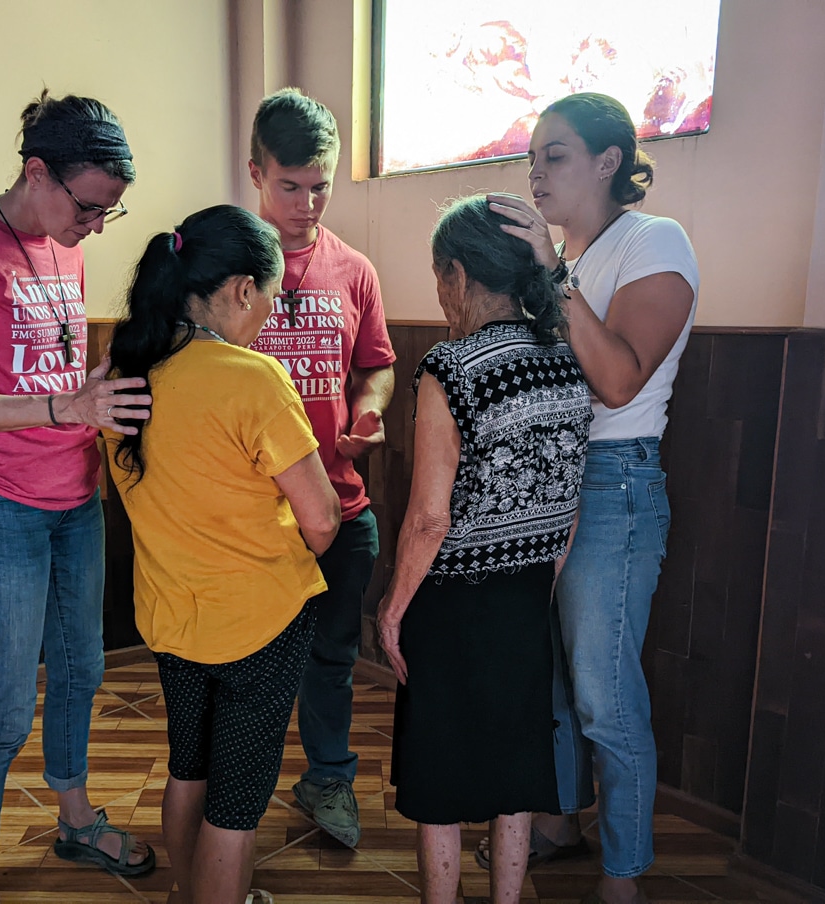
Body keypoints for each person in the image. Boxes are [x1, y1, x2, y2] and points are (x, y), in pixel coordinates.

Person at [0, 91, 156, 904]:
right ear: (36, 171)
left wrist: (95, 396)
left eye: (107, 214)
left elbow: (51, 368)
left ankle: (76, 819)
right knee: (5, 708)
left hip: (74, 499)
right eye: (88, 207)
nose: (93, 226)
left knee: (83, 672)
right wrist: (64, 407)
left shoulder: (65, 246)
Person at [486, 91, 700, 904]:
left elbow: (615, 381)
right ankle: (557, 822)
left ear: (609, 162)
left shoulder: (655, 241)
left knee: (606, 694)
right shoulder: (565, 264)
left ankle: (624, 878)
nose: (536, 172)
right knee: (549, 679)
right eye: (533, 156)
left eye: (556, 155)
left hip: (615, 481)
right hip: (548, 479)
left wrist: (550, 274)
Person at [105, 204, 342, 904]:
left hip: (172, 616)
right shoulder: (251, 378)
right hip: (258, 623)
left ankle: (187, 893)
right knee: (236, 805)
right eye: (269, 301)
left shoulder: (124, 368)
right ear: (241, 289)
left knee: (189, 769)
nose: (268, 319)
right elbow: (323, 520)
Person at [376, 195, 592, 904]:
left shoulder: (453, 367)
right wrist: (543, 588)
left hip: (452, 602)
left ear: (460, 276)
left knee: (439, 775)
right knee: (516, 774)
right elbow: (567, 506)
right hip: (527, 595)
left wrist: (393, 609)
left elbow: (429, 520)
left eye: (439, 276)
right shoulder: (565, 359)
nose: (441, 292)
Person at [247, 87, 397, 848]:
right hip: (248, 513)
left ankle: (328, 779)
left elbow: (377, 367)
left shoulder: (355, 270)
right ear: (255, 174)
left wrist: (369, 409)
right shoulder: (225, 264)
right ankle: (231, 793)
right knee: (250, 665)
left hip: (338, 504)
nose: (306, 204)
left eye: (321, 186)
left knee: (332, 657)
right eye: (289, 186)